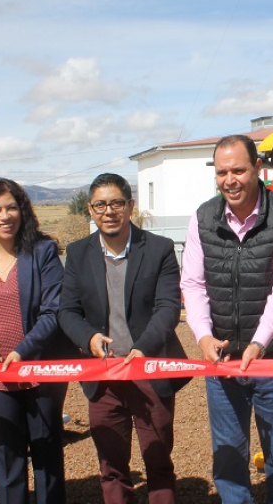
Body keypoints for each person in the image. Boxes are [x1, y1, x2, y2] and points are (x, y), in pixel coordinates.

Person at [181, 134, 273, 504]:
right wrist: (203, 336)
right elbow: (192, 282)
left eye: (238, 170)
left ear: (258, 169)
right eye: (222, 172)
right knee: (228, 456)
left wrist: (259, 343)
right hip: (222, 362)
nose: (230, 180)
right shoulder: (203, 218)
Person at [58, 173, 190, 504]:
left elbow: (168, 307)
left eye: (116, 203)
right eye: (100, 204)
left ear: (130, 206)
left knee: (158, 461)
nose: (109, 211)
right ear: (90, 210)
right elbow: (67, 312)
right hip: (104, 376)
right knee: (112, 467)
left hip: (148, 369)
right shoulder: (77, 253)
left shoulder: (158, 249)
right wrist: (88, 338)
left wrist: (142, 347)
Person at [0, 178, 70, 504]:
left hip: (40, 369)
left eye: (11, 207)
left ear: (23, 211)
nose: (5, 216)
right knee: (8, 457)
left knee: (46, 454)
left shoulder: (43, 251)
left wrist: (23, 351)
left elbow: (53, 311)